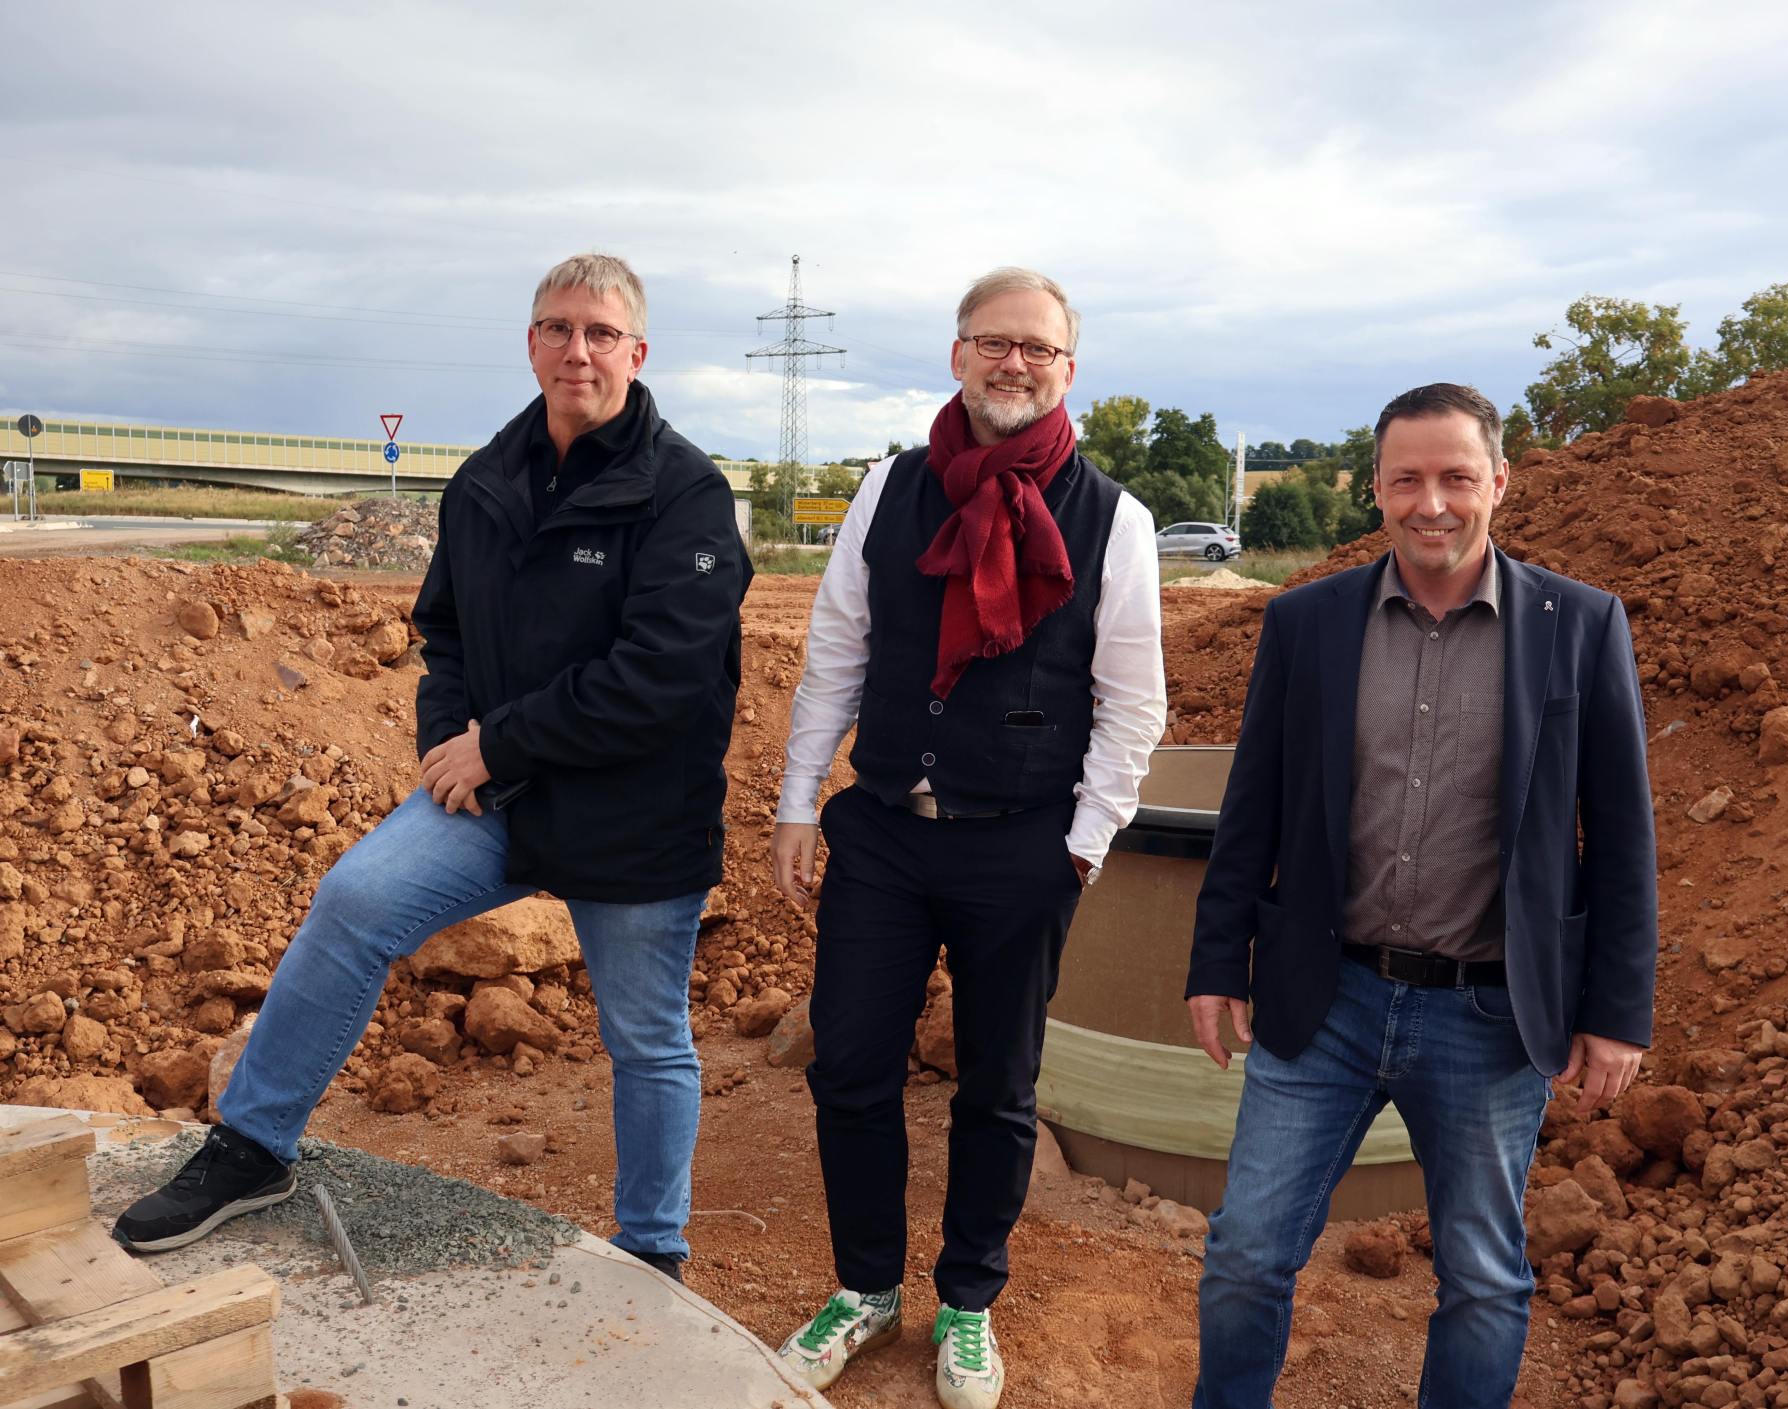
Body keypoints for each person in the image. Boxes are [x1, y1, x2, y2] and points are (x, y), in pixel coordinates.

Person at [113, 253, 751, 1283]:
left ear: (637, 351)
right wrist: (446, 736)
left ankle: (653, 1248)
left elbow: (665, 675)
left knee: (647, 1036)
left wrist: (499, 741)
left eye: (598, 332)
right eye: (556, 327)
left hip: (635, 807)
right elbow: (443, 627)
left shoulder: (686, 492)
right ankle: (254, 1142)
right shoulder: (487, 480)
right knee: (354, 897)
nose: (575, 349)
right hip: (498, 791)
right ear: (530, 343)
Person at [1185, 382, 1658, 1408]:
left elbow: (1622, 837)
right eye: (1408, 479)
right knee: (1246, 1255)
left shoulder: (1578, 626)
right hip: (1328, 999)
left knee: (1484, 1279)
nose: (1431, 501)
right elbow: (1251, 806)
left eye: (1455, 476)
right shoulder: (1308, 622)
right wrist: (1218, 960)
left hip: (1491, 1016)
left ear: (1499, 483)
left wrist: (1617, 1012)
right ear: (1377, 490)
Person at [767, 268, 1165, 1408]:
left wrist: (1082, 843)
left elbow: (1133, 701)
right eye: (994, 343)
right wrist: (800, 800)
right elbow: (837, 647)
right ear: (957, 357)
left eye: (1037, 349)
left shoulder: (1114, 520)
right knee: (848, 1063)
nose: (1014, 363)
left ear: (1067, 371)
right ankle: (865, 1287)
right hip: (886, 831)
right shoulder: (889, 489)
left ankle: (970, 1301)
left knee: (997, 1082)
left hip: (1022, 845)